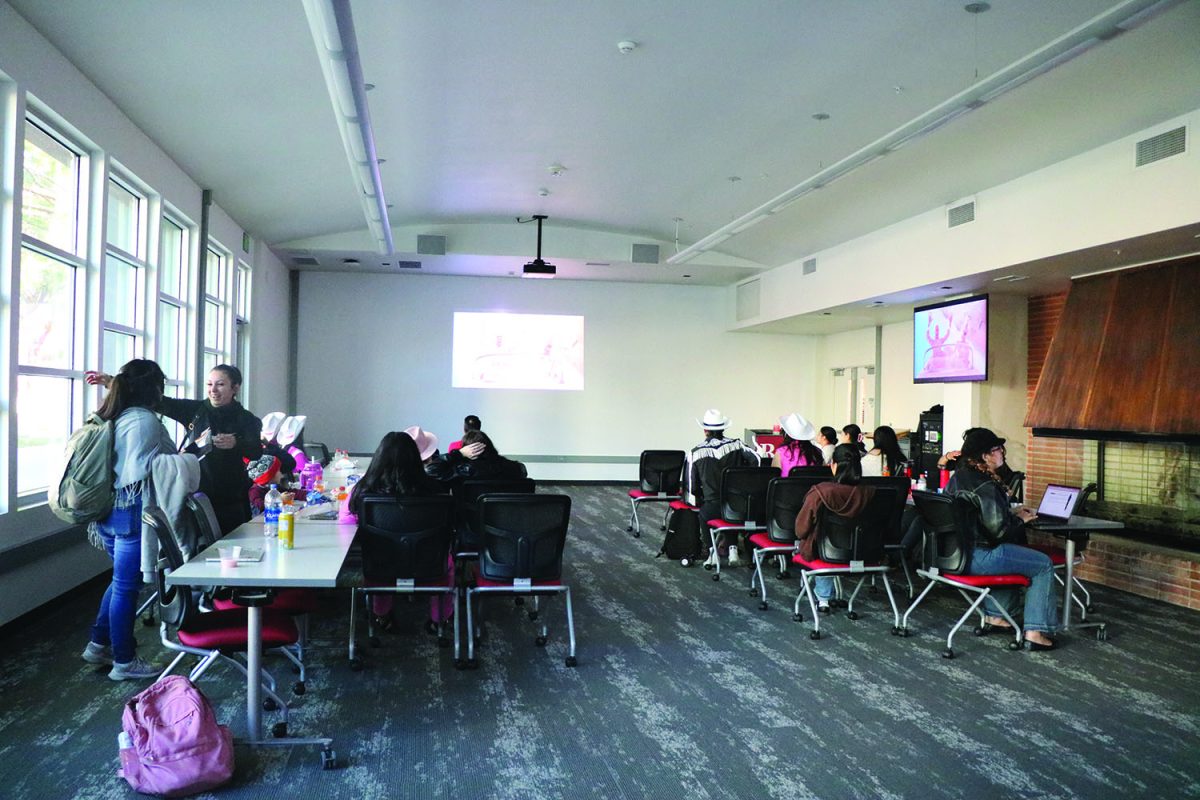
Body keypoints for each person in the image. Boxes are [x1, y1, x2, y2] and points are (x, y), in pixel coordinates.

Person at [81, 359, 175, 681]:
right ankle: (124, 660)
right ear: (154, 389)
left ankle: (98, 643)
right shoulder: (144, 420)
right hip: (130, 509)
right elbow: (151, 468)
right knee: (126, 587)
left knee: (120, 582)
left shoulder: (114, 413)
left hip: (106, 510)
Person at [90, 364, 263, 535]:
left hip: (231, 499)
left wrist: (236, 443)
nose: (213, 390)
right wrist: (112, 382)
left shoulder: (246, 419)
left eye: (220, 384)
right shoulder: (196, 410)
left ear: (236, 388)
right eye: (209, 384)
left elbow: (256, 451)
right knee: (198, 552)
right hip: (195, 494)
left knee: (233, 545)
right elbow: (158, 401)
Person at [946, 428, 1056, 651]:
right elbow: (999, 532)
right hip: (980, 556)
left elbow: (977, 516)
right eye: (998, 449)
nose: (1003, 453)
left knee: (1010, 554)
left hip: (954, 554)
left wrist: (1011, 513)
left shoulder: (958, 477)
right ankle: (1035, 632)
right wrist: (1021, 520)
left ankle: (996, 617)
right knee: (1043, 564)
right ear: (985, 456)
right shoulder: (985, 484)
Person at [349, 431, 443, 630]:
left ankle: (381, 615)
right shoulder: (435, 489)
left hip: (380, 564)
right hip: (429, 563)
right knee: (448, 561)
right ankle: (438, 619)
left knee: (377, 549)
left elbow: (347, 519)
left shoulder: (365, 490)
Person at [793, 444, 876, 613]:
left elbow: (801, 529)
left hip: (827, 553)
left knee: (820, 542)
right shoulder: (871, 492)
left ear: (834, 465)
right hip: (864, 553)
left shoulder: (820, 492)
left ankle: (823, 598)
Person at [685, 409, 759, 566]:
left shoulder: (696, 452)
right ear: (723, 428)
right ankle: (732, 548)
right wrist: (747, 483)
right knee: (730, 515)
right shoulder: (737, 445)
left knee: (704, 515)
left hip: (712, 504)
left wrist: (700, 499)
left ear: (705, 430)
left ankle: (711, 551)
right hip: (738, 503)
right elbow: (756, 459)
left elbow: (692, 485)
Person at [442, 430, 527, 481]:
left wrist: (460, 453)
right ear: (490, 446)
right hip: (507, 511)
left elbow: (433, 469)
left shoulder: (462, 471)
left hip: (471, 511)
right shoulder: (518, 468)